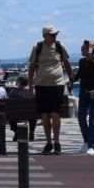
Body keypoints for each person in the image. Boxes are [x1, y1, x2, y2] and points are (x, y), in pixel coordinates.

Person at [27, 25, 73, 154]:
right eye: (52, 35)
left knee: (55, 112)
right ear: (45, 35)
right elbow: (31, 67)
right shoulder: (37, 47)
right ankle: (48, 142)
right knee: (45, 114)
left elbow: (67, 63)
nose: (54, 37)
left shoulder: (60, 46)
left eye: (55, 35)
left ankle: (57, 142)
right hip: (41, 84)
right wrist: (30, 85)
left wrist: (71, 79)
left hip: (57, 84)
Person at [73, 39, 94, 155]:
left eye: (83, 47)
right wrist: (70, 81)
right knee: (81, 117)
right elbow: (78, 75)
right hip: (83, 93)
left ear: (90, 49)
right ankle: (86, 141)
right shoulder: (82, 61)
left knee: (92, 119)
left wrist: (91, 49)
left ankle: (92, 146)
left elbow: (92, 61)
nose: (81, 48)